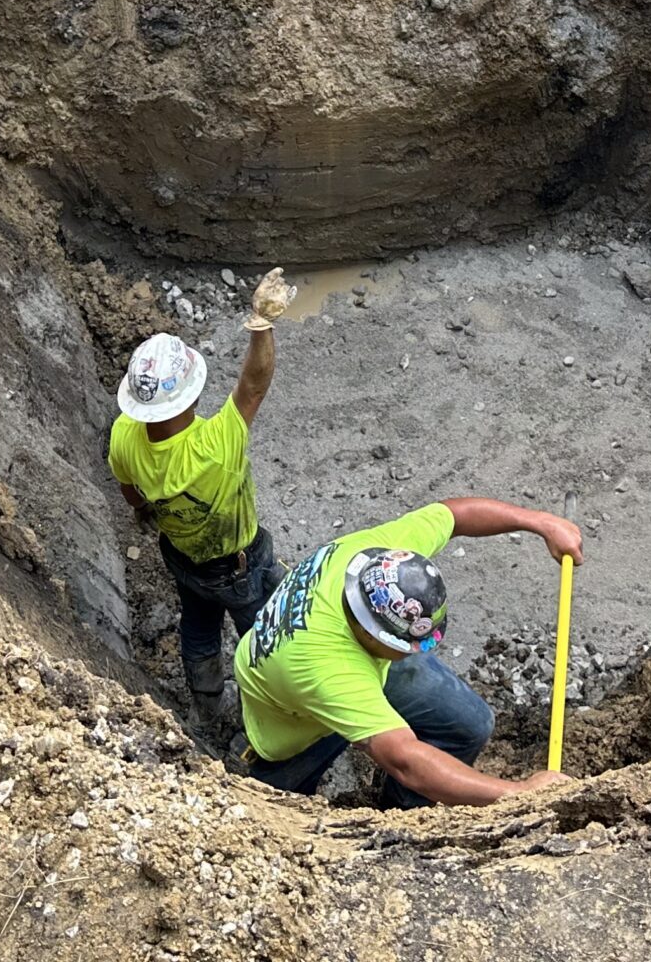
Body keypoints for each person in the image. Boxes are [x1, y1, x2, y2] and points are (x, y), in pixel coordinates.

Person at [233, 494, 582, 807]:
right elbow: (405, 761)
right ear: (373, 634)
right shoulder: (328, 669)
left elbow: (454, 514)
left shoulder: (383, 560)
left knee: (469, 724)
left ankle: (402, 816)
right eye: (405, 645)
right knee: (282, 811)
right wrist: (520, 793)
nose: (414, 652)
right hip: (292, 721)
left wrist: (541, 522)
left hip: (349, 663)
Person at [109, 269, 290, 703]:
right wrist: (261, 323)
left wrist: (149, 511)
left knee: (198, 620)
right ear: (190, 395)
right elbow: (253, 385)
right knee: (267, 634)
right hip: (238, 565)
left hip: (182, 557)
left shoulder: (123, 436)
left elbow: (132, 495)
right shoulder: (215, 446)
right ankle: (276, 699)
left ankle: (207, 699)